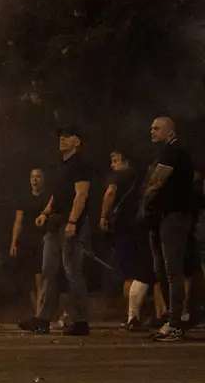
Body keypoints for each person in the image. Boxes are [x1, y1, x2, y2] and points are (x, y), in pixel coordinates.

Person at [20, 126, 92, 336]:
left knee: (72, 270)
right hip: (55, 222)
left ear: (77, 141)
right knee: (48, 270)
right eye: (61, 136)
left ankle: (81, 321)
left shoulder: (80, 164)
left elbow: (81, 195)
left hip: (71, 222)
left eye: (67, 136)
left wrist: (72, 222)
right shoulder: (62, 164)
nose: (62, 139)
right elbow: (57, 193)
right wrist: (46, 212)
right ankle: (42, 319)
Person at [143, 117, 194, 342]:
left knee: (172, 270)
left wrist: (146, 201)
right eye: (151, 127)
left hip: (173, 216)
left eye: (157, 128)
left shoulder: (173, 152)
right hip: (163, 217)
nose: (152, 131)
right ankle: (173, 319)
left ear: (171, 132)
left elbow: (156, 183)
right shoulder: (167, 152)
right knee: (162, 270)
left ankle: (175, 323)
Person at [100, 149, 157, 331]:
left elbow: (110, 193)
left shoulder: (119, 176)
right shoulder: (141, 177)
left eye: (115, 161)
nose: (112, 165)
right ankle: (136, 315)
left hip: (123, 227)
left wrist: (103, 216)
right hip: (141, 225)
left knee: (129, 273)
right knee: (142, 271)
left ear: (126, 162)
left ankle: (132, 316)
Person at [10, 169, 49, 316]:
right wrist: (13, 243)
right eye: (32, 177)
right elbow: (18, 221)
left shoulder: (47, 199)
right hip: (26, 242)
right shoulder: (24, 198)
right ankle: (36, 312)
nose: (35, 180)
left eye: (38, 177)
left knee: (40, 280)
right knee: (30, 283)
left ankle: (40, 315)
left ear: (43, 179)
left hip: (41, 242)